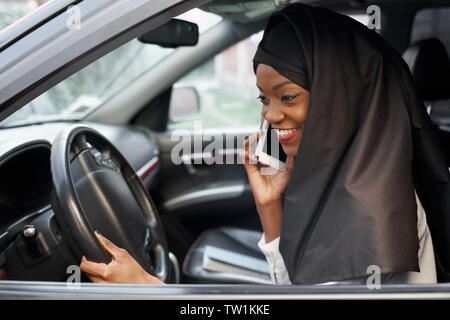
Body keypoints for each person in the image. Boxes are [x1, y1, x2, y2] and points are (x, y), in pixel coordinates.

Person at [80, 3, 450, 285]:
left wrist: (148, 289)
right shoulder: (349, 184)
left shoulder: (372, 219)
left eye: (287, 97)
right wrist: (270, 209)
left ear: (338, 100)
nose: (270, 116)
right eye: (264, 99)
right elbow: (294, 289)